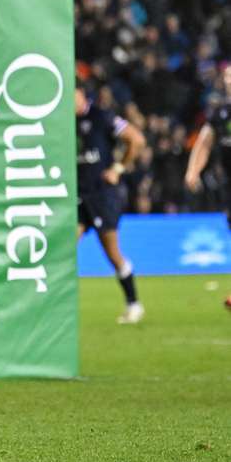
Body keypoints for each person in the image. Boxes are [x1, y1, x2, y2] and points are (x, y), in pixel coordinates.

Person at [76, 86, 146, 324]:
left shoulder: (101, 116)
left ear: (81, 94)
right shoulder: (62, 120)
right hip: (77, 196)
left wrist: (117, 169)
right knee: (63, 250)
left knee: (112, 254)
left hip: (102, 195)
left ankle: (134, 303)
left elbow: (136, 140)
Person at [185, 66, 231, 228]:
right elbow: (204, 144)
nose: (229, 80)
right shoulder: (219, 112)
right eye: (227, 76)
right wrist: (193, 171)